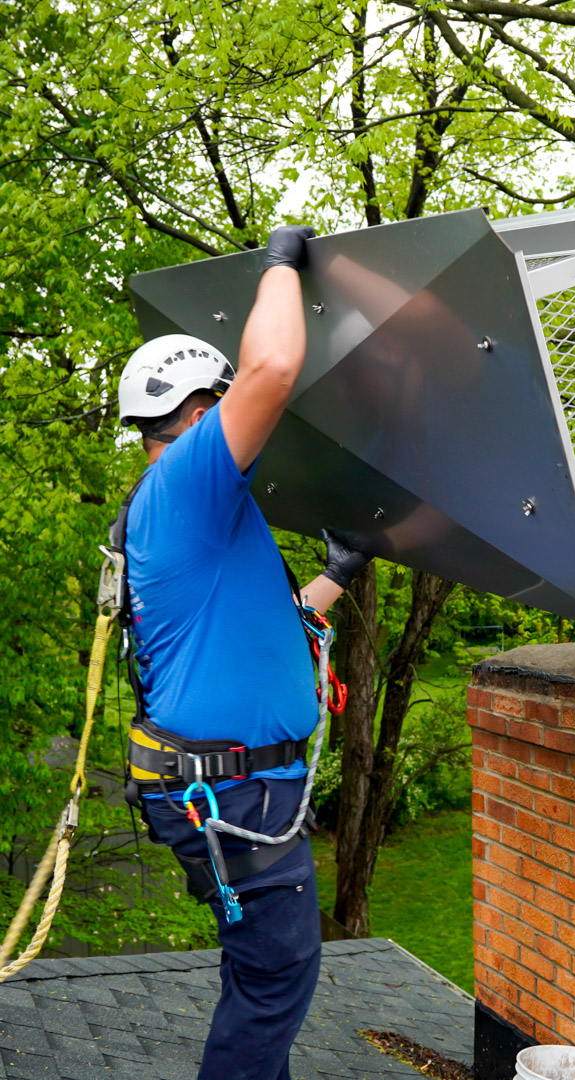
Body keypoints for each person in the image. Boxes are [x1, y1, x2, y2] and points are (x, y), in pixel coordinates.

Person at [115, 225, 369, 1080]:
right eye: (219, 406)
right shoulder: (187, 480)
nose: (240, 421)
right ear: (193, 413)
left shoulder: (194, 512)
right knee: (276, 979)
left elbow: (252, 630)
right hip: (233, 793)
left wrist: (335, 577)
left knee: (258, 977)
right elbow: (271, 370)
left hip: (230, 786)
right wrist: (279, 266)